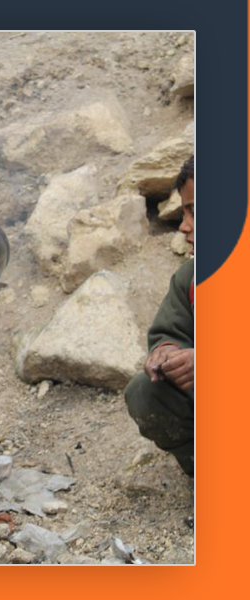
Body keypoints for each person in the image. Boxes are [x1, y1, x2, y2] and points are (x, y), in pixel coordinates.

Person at [124, 155, 194, 476]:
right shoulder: (191, 279)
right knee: (147, 392)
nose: (184, 226)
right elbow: (170, 330)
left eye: (195, 211)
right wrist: (166, 353)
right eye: (184, 212)